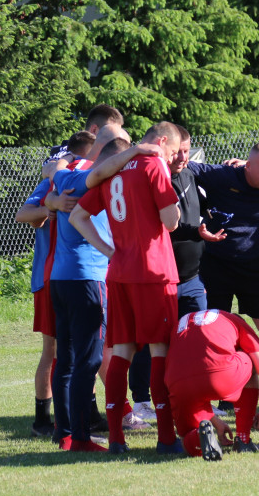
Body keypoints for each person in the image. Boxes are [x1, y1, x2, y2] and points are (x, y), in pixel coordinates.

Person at [86, 140, 259, 412]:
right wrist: (139, 157)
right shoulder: (222, 175)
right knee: (214, 332)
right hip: (215, 263)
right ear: (246, 166)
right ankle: (225, 393)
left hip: (253, 263)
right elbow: (182, 165)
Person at [71, 124, 183, 454]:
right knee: (160, 351)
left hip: (119, 272)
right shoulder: (153, 165)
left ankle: (118, 439)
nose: (174, 158)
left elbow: (78, 216)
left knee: (121, 352)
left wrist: (109, 251)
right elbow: (170, 221)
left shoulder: (114, 168)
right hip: (154, 272)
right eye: (174, 151)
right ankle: (165, 438)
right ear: (161, 142)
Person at [126, 124, 225, 422]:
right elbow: (168, 226)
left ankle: (201, 397)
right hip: (160, 278)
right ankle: (143, 401)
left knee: (198, 339)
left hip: (192, 279)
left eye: (186, 151)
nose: (182, 157)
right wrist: (197, 232)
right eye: (177, 151)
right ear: (165, 147)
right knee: (151, 342)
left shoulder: (191, 175)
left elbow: (198, 212)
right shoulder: (152, 174)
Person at [47, 131, 111, 452]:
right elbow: (99, 172)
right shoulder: (92, 178)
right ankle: (82, 438)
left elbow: (52, 170)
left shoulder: (67, 176)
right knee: (89, 360)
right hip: (89, 279)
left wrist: (60, 168)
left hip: (61, 279)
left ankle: (65, 433)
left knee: (68, 359)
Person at [165, 310, 259, 460]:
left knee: (186, 439)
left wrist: (216, 422)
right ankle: (243, 439)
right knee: (250, 360)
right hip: (219, 376)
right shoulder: (239, 324)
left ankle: (199, 435)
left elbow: (195, 375)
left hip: (178, 383)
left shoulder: (184, 322)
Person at [15, 176, 58, 437]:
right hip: (49, 278)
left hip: (78, 276)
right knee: (52, 351)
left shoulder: (93, 172)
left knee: (85, 351)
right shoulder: (53, 179)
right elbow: (24, 214)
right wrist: (48, 209)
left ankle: (91, 414)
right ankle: (42, 421)